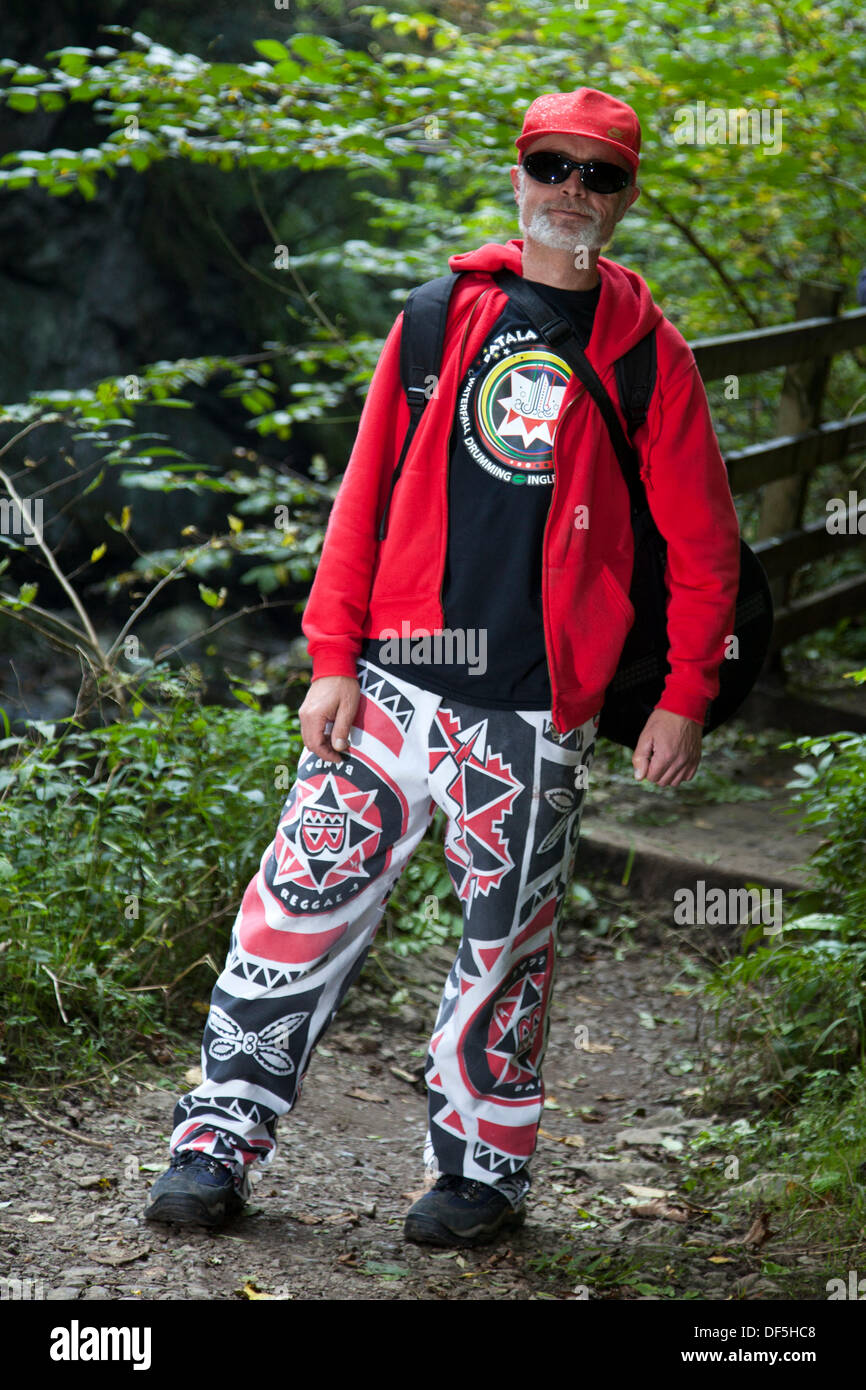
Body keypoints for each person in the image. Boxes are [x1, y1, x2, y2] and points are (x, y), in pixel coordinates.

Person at [144, 87, 741, 1248]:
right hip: (388, 691)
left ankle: (476, 1175)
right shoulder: (435, 317)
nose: (572, 190)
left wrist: (681, 693)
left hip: (529, 711)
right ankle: (213, 1145)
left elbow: (703, 544)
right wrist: (330, 659)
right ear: (519, 174)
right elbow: (361, 497)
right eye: (552, 165)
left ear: (623, 196)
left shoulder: (646, 360)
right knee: (290, 918)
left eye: (598, 174)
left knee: (504, 948)